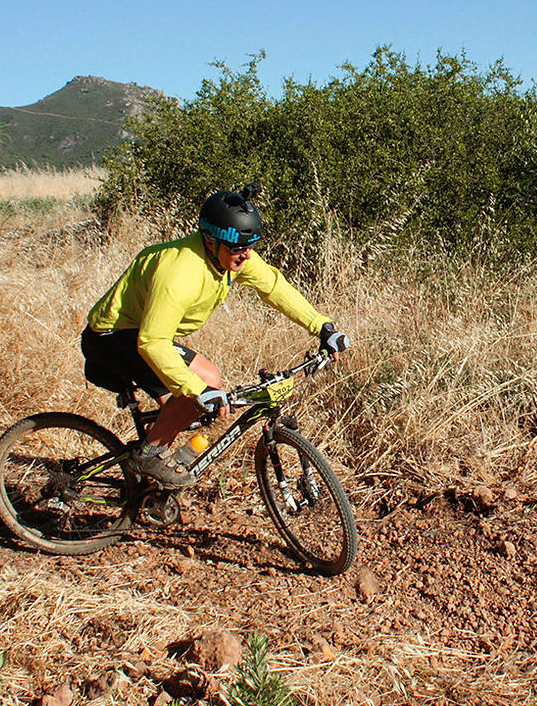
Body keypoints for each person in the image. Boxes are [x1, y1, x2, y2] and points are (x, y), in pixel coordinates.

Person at [80, 182, 348, 488]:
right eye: (237, 248)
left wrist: (322, 326)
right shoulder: (179, 274)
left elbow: (274, 287)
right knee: (197, 389)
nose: (246, 256)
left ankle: (151, 480)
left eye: (250, 246)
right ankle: (147, 458)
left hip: (145, 332)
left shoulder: (231, 257)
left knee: (205, 386)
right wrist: (196, 389)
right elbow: (152, 342)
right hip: (113, 337)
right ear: (210, 241)